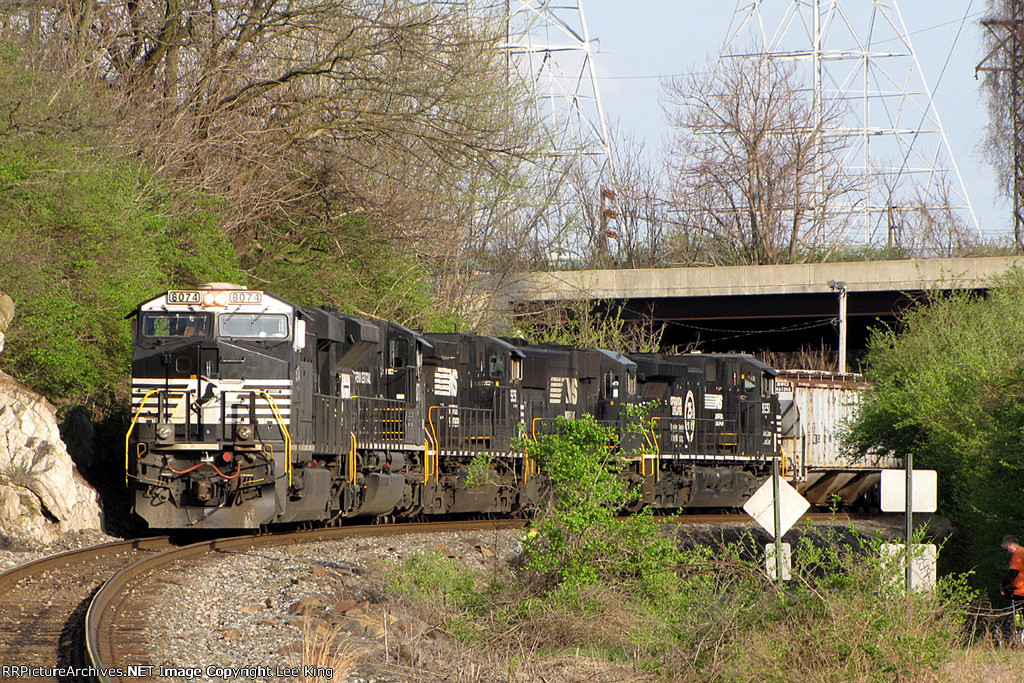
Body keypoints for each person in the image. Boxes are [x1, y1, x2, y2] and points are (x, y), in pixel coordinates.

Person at [1001, 535, 1024, 639]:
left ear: (1011, 545)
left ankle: (1019, 636)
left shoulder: (1018, 554)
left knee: (1018, 616)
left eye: (1007, 548)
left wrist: (1004, 585)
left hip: (1020, 591)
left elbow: (1013, 572)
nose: (1008, 551)